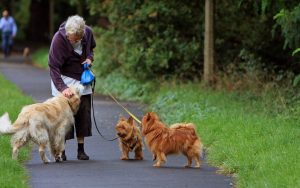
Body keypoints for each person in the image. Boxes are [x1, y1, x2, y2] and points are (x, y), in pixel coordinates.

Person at [48, 15, 96, 160]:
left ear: (82, 34)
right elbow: (53, 67)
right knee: (64, 117)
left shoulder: (87, 32)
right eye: (70, 37)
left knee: (83, 112)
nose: (72, 39)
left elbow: (91, 49)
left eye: (75, 38)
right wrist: (63, 88)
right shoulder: (59, 39)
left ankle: (81, 149)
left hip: (82, 79)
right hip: (64, 78)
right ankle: (61, 150)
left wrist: (89, 58)